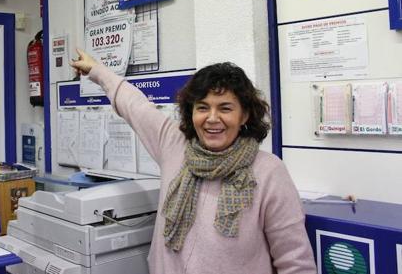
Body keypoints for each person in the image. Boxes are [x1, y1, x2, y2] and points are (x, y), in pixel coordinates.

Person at [70, 49, 316, 274]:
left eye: (225, 108)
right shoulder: (175, 146)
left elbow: (295, 261)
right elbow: (135, 106)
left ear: (245, 115)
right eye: (202, 107)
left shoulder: (268, 171)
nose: (212, 118)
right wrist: (97, 71)